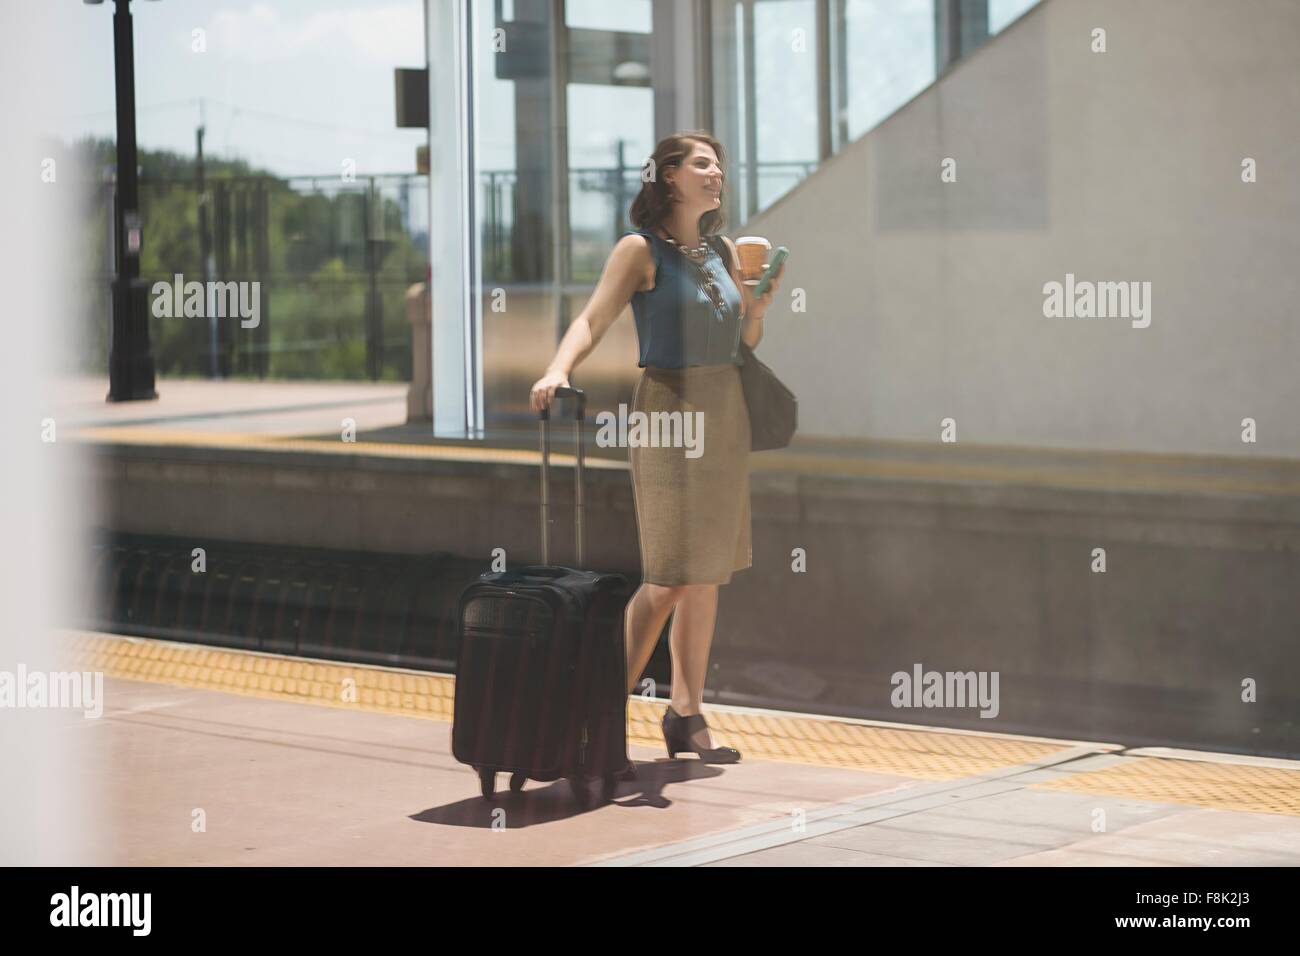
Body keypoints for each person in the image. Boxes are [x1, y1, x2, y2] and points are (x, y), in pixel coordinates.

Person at [529, 131, 784, 764]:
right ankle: (593, 714)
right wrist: (557, 369)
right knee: (670, 575)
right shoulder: (639, 251)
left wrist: (757, 306)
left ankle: (686, 714)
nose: (716, 172)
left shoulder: (721, 250)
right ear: (668, 176)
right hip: (669, 411)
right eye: (702, 163)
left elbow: (743, 340)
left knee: (706, 575)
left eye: (719, 163)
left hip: (725, 411)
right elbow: (593, 318)